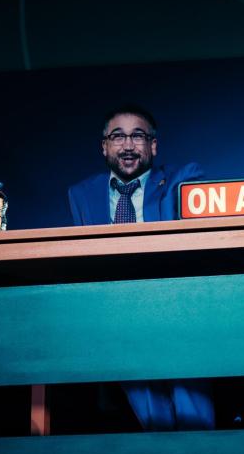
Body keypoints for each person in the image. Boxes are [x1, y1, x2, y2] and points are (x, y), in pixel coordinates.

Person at [67, 104, 213, 431]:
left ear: (153, 146)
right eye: (118, 137)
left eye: (138, 136)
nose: (128, 146)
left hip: (175, 308)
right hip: (117, 314)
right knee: (150, 408)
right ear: (104, 146)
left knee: (190, 406)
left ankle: (200, 450)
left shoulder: (181, 179)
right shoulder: (82, 194)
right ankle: (163, 447)